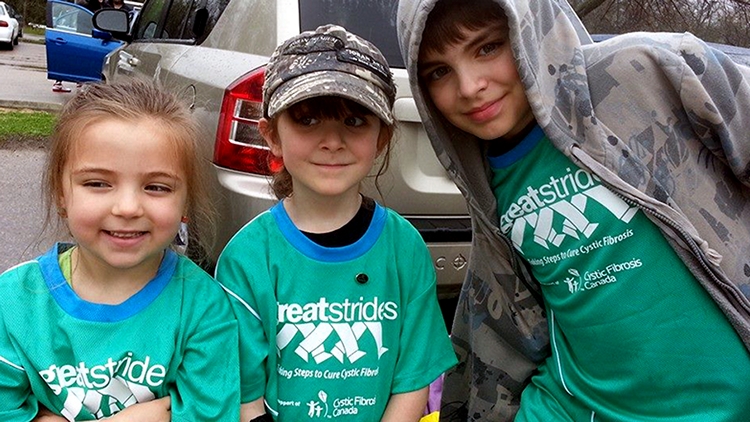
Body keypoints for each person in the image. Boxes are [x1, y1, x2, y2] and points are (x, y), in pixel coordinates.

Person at [396, 0, 750, 420]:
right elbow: (504, 327)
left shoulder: (647, 71)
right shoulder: (486, 180)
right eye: (439, 72)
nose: (470, 86)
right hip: (573, 407)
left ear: (528, 28)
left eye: (487, 48)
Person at [215, 24, 457, 421]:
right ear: (272, 136)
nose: (332, 141)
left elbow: (411, 380)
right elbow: (245, 396)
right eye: (307, 120)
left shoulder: (404, 248)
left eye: (355, 120)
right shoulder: (247, 258)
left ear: (382, 138)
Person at [0, 80, 240, 421]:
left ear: (185, 201)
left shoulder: (204, 309)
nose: (127, 208)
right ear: (61, 193)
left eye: (156, 187)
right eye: (98, 183)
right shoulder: (13, 304)